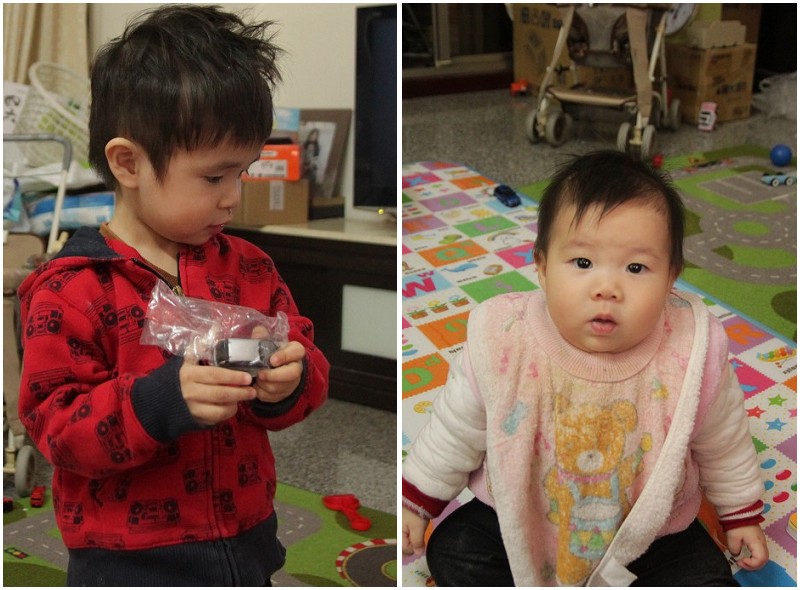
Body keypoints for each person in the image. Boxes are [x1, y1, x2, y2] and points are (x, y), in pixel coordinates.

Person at [17, 5, 329, 586]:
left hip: (246, 536)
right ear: (128, 163)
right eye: (214, 177)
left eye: (242, 173)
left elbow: (305, 361)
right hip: (126, 560)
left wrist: (290, 381)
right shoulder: (70, 290)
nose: (233, 197)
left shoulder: (250, 267)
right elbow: (54, 427)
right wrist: (156, 403)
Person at [402, 150, 768, 586]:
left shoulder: (690, 352)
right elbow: (455, 430)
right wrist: (416, 501)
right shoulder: (506, 340)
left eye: (636, 267)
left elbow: (724, 442)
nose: (606, 288)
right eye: (582, 263)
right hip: (525, 515)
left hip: (651, 531)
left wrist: (740, 514)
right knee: (454, 548)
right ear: (542, 268)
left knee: (706, 577)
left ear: (671, 278)